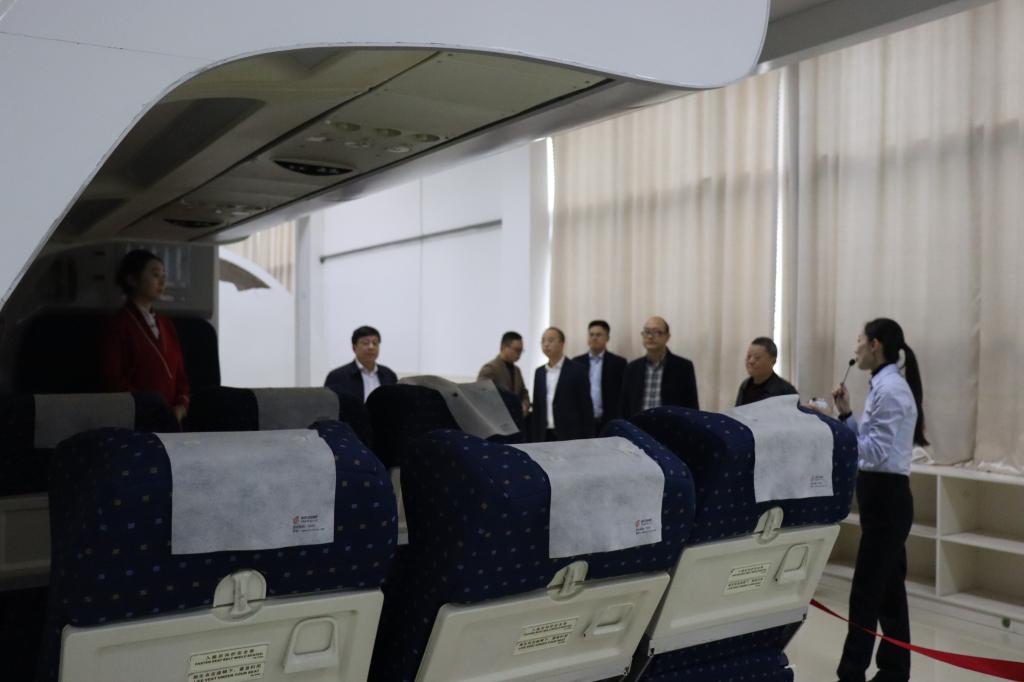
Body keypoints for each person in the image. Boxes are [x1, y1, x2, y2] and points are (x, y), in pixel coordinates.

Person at [825, 318, 927, 682]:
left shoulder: (892, 390)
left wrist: (833, 430)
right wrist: (845, 415)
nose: (855, 348)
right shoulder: (883, 385)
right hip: (882, 499)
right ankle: (895, 670)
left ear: (875, 345)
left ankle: (851, 673)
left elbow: (876, 453)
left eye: (859, 340)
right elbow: (872, 444)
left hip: (887, 500)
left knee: (866, 593)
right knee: (889, 592)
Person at [101, 249, 190, 424]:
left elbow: (180, 375)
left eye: (163, 276)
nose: (162, 281)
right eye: (155, 275)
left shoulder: (166, 325)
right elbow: (113, 380)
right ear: (132, 279)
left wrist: (181, 405)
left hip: (172, 417)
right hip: (138, 418)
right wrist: (149, 406)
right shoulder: (118, 325)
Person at [620, 316, 698, 417]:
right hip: (638, 425)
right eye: (647, 332)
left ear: (667, 337)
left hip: (670, 425)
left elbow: (692, 408)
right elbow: (624, 408)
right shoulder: (632, 368)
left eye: (657, 332)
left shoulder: (683, 367)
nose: (650, 336)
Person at [529, 327, 594, 442]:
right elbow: (537, 407)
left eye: (550, 340)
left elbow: (585, 407)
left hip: (570, 436)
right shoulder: (539, 372)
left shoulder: (577, 370)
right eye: (543, 341)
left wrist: (588, 439)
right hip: (545, 435)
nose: (546, 344)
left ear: (562, 344)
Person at [572, 320, 626, 430]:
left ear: (607, 338)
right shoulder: (576, 363)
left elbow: (622, 395)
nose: (594, 338)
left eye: (598, 335)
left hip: (609, 421)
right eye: (591, 334)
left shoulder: (619, 363)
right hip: (583, 421)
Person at [324, 325, 397, 402]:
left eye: (375, 343)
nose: (371, 347)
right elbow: (328, 405)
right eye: (365, 343)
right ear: (354, 347)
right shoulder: (337, 376)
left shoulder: (389, 375)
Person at [478, 331, 530, 416]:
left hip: (515, 419)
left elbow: (523, 393)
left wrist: (525, 405)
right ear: (504, 347)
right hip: (496, 418)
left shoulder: (517, 370)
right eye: (517, 350)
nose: (519, 354)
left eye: (521, 351)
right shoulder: (490, 369)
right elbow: (482, 395)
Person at [734, 336, 798, 406]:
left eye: (757, 357)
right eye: (748, 356)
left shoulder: (786, 391)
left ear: (773, 361)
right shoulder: (745, 386)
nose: (751, 361)